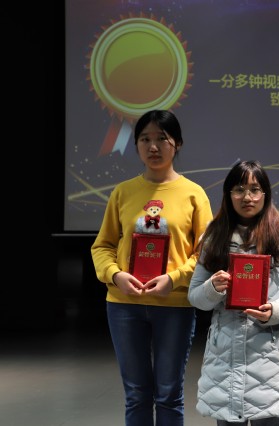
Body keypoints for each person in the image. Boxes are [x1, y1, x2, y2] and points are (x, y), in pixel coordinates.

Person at [91, 109, 214, 426]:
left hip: (174, 305)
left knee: (169, 394)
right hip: (124, 305)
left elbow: (206, 254)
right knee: (136, 395)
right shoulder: (123, 192)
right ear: (136, 145)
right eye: (145, 139)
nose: (153, 146)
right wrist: (115, 275)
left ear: (178, 144)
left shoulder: (194, 194)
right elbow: (102, 246)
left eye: (162, 138)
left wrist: (174, 279)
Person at [188, 160, 279, 426]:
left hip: (269, 359)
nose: (247, 197)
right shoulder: (214, 236)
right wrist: (212, 288)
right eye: (239, 189)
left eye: (255, 190)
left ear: (265, 194)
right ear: (228, 194)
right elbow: (195, 297)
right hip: (223, 358)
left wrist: (274, 311)